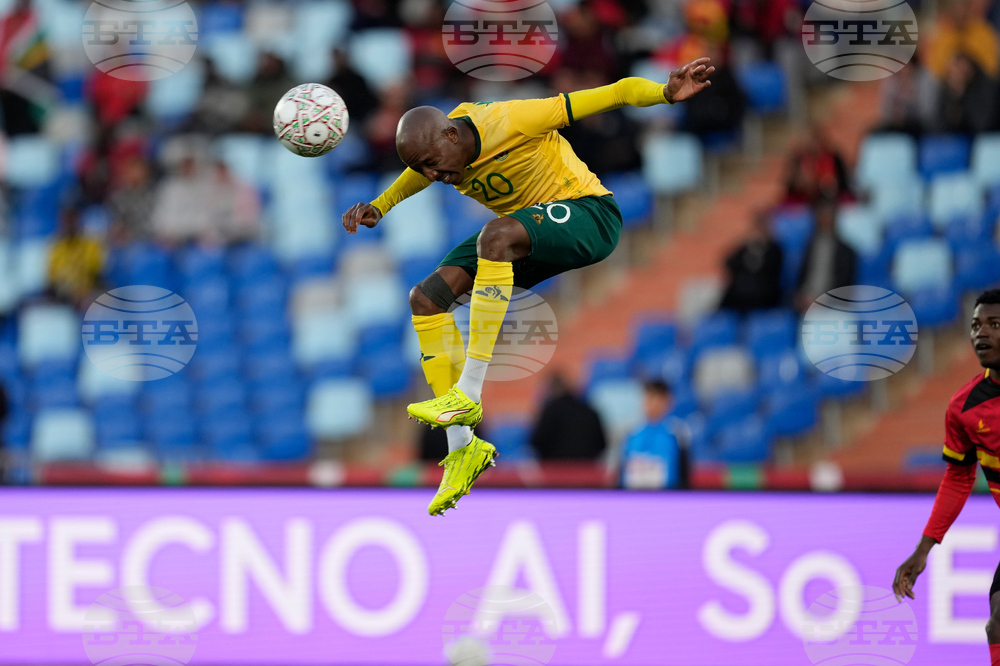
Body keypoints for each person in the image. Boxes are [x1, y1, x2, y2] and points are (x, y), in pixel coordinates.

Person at [342, 58, 716, 514]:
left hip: (590, 216)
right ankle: (463, 451)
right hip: (529, 234)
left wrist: (664, 93)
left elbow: (614, 92)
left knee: (494, 236)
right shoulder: (441, 151)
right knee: (425, 299)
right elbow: (417, 172)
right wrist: (382, 205)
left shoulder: (514, 119)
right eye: (425, 169)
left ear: (452, 136)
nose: (435, 176)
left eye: (434, 165)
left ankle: (468, 392)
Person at [893, 289, 1000, 666]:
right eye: (975, 325)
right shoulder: (964, 408)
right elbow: (958, 477)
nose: (981, 333)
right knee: (998, 626)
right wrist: (924, 549)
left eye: (994, 324)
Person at [620, 380, 690, 490]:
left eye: (658, 399)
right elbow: (621, 473)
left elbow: (684, 475)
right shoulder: (631, 435)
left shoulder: (676, 435)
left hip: (666, 495)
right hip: (634, 496)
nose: (653, 404)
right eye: (650, 398)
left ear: (668, 402)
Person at [794, 196, 857, 312]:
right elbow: (802, 277)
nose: (824, 221)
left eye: (828, 217)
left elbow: (844, 283)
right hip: (807, 300)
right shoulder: (810, 246)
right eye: (822, 217)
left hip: (833, 302)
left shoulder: (846, 251)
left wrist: (823, 299)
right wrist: (802, 296)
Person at [529, 373, 607, 460]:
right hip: (586, 466)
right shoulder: (589, 411)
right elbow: (602, 444)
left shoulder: (549, 411)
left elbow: (536, 442)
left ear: (551, 391)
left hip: (555, 466)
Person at [718, 212, 784, 314]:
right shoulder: (744, 248)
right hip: (740, 292)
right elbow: (729, 262)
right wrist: (744, 244)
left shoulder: (774, 249)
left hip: (763, 294)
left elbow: (772, 270)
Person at [46, 207, 105, 308]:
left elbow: (97, 277)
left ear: (78, 221)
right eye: (66, 221)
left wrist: (82, 292)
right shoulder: (56, 248)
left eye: (71, 220)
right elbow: (53, 282)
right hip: (63, 296)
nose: (69, 225)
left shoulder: (91, 245)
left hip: (87, 294)